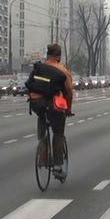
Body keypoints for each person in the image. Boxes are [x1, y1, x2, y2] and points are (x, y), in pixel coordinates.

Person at [26, 44, 73, 180]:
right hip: (54, 106)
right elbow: (68, 92)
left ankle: (42, 152)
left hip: (37, 103)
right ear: (59, 56)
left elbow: (30, 84)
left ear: (47, 55)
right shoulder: (63, 71)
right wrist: (68, 109)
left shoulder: (38, 68)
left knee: (42, 119)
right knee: (58, 133)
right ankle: (58, 167)